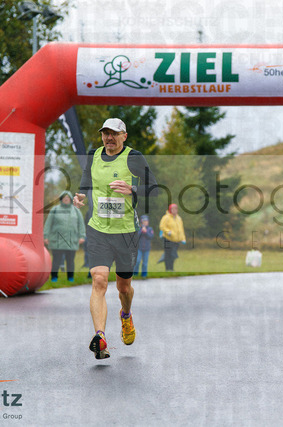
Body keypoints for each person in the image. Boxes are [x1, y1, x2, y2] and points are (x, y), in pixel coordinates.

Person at [73, 118, 158, 360]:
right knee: (99, 280)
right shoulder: (94, 156)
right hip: (98, 229)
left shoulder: (134, 158)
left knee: (124, 287)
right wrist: (80, 196)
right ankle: (100, 338)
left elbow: (154, 189)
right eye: (105, 133)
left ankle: (126, 315)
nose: (109, 138)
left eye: (114, 133)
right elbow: (86, 183)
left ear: (124, 136)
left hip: (126, 232)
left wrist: (133, 189)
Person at [43, 190, 86, 282]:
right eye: (64, 198)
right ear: (61, 199)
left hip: (72, 240)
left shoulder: (76, 211)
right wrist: (45, 236)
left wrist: (82, 236)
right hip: (57, 241)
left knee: (70, 261)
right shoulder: (55, 210)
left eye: (67, 198)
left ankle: (70, 278)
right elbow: (48, 224)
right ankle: (54, 277)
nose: (66, 199)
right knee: (56, 260)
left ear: (70, 199)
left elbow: (81, 224)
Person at [159, 203, 186, 272]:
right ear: (170, 210)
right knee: (168, 254)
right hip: (167, 239)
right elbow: (162, 226)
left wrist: (183, 238)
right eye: (173, 209)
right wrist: (168, 232)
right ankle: (168, 269)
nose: (175, 210)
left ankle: (171, 268)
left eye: (176, 209)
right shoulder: (166, 217)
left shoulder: (179, 218)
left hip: (176, 240)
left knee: (173, 255)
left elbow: (181, 229)